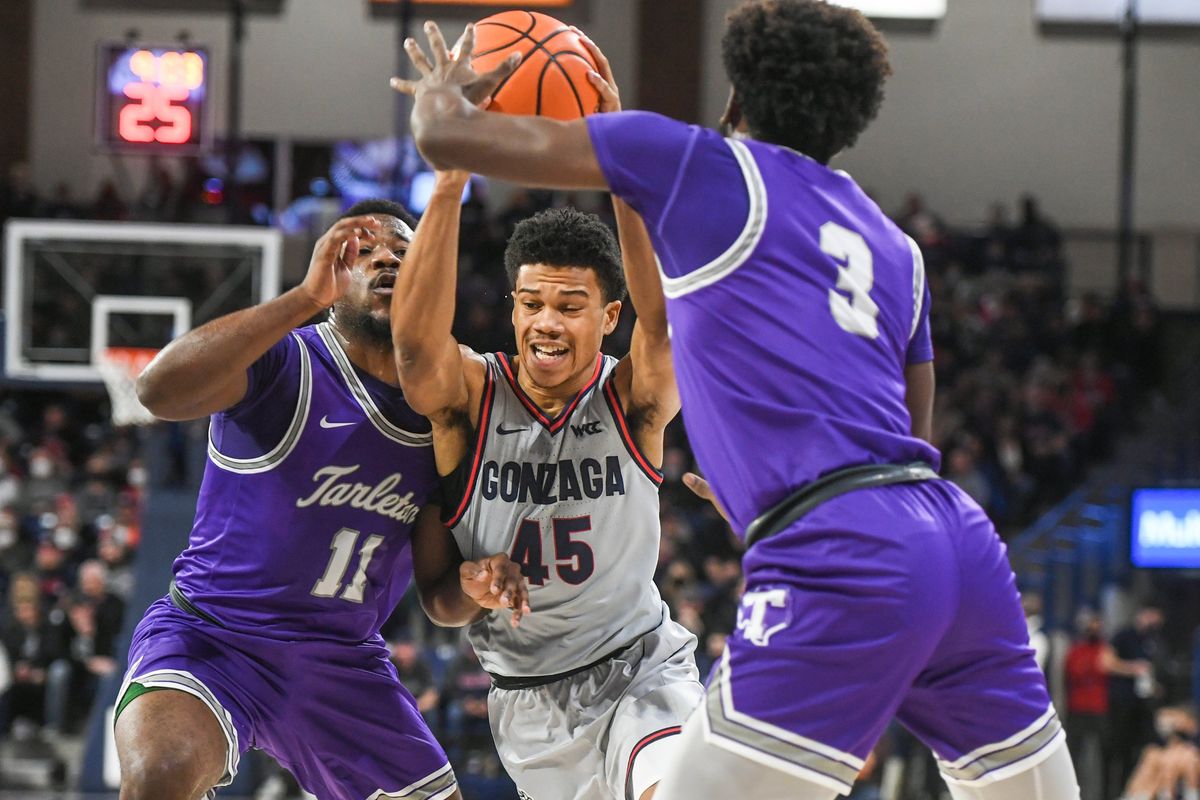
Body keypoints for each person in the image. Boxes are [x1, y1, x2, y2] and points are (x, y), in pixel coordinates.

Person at [391, 2, 1080, 797]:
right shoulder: (897, 245)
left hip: (836, 550)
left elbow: (451, 140)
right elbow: (909, 440)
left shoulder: (701, 163)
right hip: (954, 542)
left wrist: (442, 94)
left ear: (736, 98)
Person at [115, 201, 527, 800]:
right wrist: (302, 298)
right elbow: (158, 390)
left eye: (404, 253)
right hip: (214, 635)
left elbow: (441, 598)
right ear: (333, 279)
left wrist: (476, 587)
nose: (387, 257)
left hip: (341, 663)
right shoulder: (286, 360)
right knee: (158, 776)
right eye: (365, 251)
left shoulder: (445, 414)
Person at [390, 52, 703, 800]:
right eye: (531, 304)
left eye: (568, 305)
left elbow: (665, 331)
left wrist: (620, 165)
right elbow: (413, 350)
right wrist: (453, 170)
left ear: (608, 316)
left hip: (641, 667)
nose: (546, 324)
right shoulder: (474, 395)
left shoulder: (631, 399)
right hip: (527, 700)